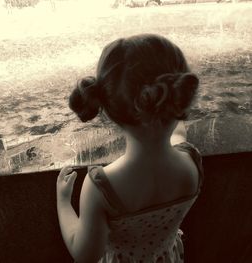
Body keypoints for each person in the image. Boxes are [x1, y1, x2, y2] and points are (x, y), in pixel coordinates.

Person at [56, 34, 203, 263]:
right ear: (180, 99)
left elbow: (84, 254)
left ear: (110, 108)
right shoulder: (191, 164)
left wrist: (63, 201)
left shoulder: (101, 187)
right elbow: (178, 133)